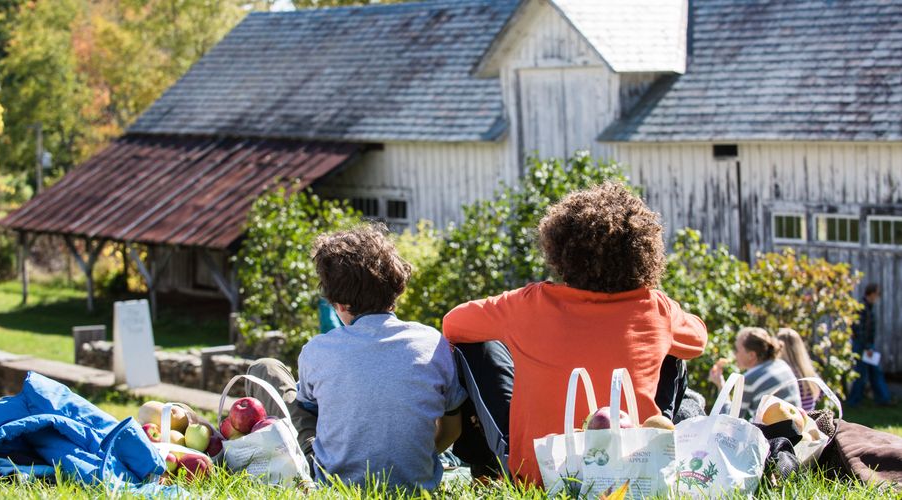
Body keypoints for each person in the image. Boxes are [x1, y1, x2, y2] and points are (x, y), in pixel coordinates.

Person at [442, 182, 708, 486]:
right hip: (629, 469)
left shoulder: (528, 303)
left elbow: (453, 324)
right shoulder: (656, 308)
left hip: (538, 473)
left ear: (560, 250)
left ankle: (485, 470)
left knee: (474, 346)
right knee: (676, 354)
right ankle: (658, 440)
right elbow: (698, 339)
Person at [247, 225, 467, 491]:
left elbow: (307, 411)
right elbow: (452, 429)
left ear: (338, 303)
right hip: (416, 486)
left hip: (334, 485)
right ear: (397, 288)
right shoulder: (432, 342)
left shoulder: (318, 350)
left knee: (265, 369)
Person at [710, 327, 801, 419]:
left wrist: (721, 385)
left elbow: (729, 419)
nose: (734, 354)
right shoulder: (781, 365)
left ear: (751, 355)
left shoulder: (750, 379)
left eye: (737, 350)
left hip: (774, 432)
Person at [847, 283, 892, 407]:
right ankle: (854, 401)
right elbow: (859, 329)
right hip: (862, 345)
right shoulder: (862, 307)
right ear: (871, 294)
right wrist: (867, 347)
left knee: (875, 372)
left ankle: (883, 399)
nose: (878, 297)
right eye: (877, 294)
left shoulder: (868, 307)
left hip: (868, 345)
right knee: (861, 374)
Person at [776, 328, 821, 411]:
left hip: (791, 420)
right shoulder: (809, 372)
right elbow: (820, 394)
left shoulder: (783, 375)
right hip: (809, 420)